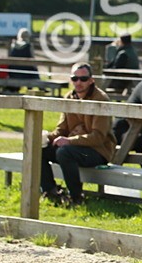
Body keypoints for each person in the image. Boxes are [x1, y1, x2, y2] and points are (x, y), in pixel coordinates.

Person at [40, 64, 115, 207]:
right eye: (75, 79)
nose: (78, 82)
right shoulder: (69, 97)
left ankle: (76, 197)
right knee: (40, 149)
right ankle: (50, 191)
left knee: (64, 152)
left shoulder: (100, 99)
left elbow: (98, 137)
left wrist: (69, 141)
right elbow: (61, 130)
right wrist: (45, 138)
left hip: (98, 152)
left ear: (91, 80)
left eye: (83, 79)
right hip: (75, 149)